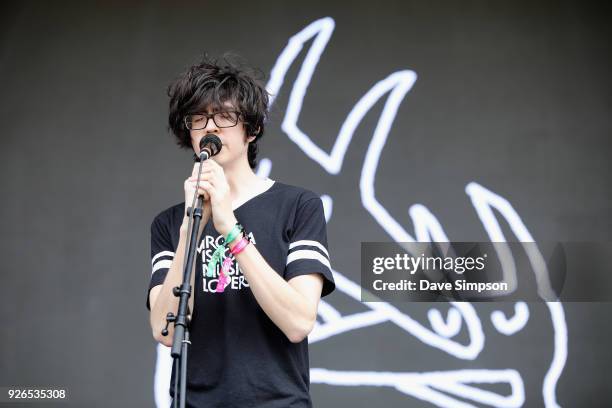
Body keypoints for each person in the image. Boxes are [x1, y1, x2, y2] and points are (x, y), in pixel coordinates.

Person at [146, 54, 335, 407]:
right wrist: (191, 228)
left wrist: (229, 229)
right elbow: (164, 329)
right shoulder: (169, 223)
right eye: (198, 118)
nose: (210, 127)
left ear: (253, 128)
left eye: (225, 116)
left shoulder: (298, 206)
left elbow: (297, 321)